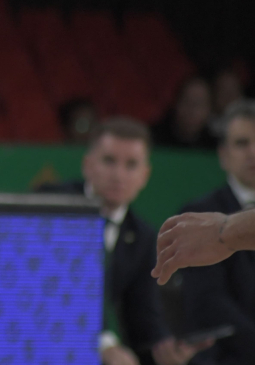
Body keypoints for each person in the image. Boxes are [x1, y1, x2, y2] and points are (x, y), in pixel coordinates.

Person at [36, 118, 205, 365]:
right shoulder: (54, 206)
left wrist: (164, 347)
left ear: (145, 176)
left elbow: (143, 315)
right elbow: (59, 293)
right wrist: (104, 345)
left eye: (131, 165)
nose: (119, 175)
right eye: (109, 161)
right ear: (87, 165)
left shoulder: (142, 236)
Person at [158, 100, 255, 365]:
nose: (253, 152)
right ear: (223, 154)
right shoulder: (199, 214)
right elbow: (209, 303)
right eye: (242, 143)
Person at [152, 76, 219, 149]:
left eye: (199, 103)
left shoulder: (216, 147)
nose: (191, 110)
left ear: (210, 109)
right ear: (176, 103)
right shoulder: (152, 139)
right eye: (187, 101)